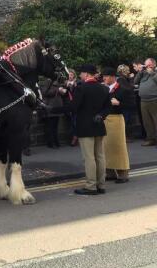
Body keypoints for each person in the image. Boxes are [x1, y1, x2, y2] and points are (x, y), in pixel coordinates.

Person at [53, 64, 111, 195]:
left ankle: (91, 186)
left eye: (81, 73)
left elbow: (73, 107)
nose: (80, 75)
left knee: (89, 157)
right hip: (99, 125)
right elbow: (108, 107)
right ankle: (101, 185)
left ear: (86, 74)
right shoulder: (103, 88)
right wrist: (101, 116)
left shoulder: (82, 88)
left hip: (85, 126)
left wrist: (53, 109)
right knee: (100, 156)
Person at [101, 67, 131, 183]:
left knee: (118, 146)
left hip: (117, 119)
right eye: (103, 76)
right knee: (106, 147)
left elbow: (131, 105)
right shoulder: (103, 89)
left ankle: (123, 174)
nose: (104, 78)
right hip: (105, 119)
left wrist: (119, 103)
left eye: (106, 76)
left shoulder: (122, 89)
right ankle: (110, 172)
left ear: (113, 77)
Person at [136, 58, 157, 146]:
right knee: (147, 121)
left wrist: (152, 73)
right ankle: (151, 139)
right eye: (145, 65)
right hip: (143, 100)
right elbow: (135, 81)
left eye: (148, 65)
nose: (146, 67)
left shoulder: (155, 72)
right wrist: (140, 72)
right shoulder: (143, 73)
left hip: (154, 99)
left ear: (153, 65)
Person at [39, 77, 64, 148]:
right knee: (50, 127)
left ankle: (56, 141)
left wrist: (62, 91)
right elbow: (45, 92)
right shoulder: (47, 82)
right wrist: (57, 90)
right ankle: (51, 142)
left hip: (57, 107)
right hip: (50, 107)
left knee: (55, 127)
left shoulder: (57, 82)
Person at [116, 64, 137, 139]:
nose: (128, 71)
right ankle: (125, 136)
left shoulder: (124, 79)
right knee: (125, 120)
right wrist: (131, 80)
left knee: (128, 120)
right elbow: (128, 89)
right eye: (127, 70)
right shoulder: (121, 79)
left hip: (127, 103)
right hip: (125, 103)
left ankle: (127, 136)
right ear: (123, 71)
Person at [133, 58, 148, 140]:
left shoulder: (147, 72)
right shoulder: (139, 73)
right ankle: (144, 133)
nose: (134, 68)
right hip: (139, 96)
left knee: (145, 117)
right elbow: (135, 81)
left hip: (145, 97)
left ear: (139, 65)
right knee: (141, 116)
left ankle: (146, 134)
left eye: (135, 66)